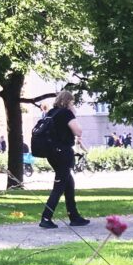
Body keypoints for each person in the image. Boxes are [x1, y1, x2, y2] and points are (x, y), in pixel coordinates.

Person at [39, 90, 90, 229]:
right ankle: (46, 217)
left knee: (69, 183)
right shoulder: (66, 113)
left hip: (52, 153)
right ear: (68, 101)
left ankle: (74, 216)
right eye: (72, 102)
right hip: (63, 153)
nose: (73, 105)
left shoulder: (51, 113)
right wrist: (73, 113)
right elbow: (78, 131)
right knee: (59, 186)